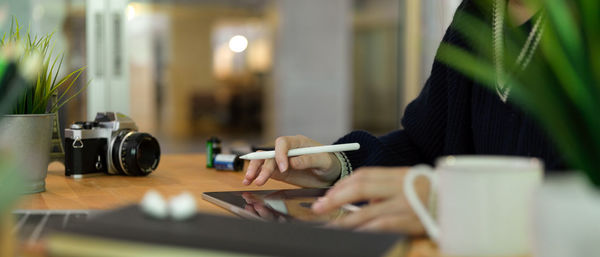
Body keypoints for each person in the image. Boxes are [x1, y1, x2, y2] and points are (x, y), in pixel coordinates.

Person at [243, 0, 560, 234]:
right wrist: (338, 166)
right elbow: (424, 148)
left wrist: (456, 205)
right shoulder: (476, 15)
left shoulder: (584, 29)